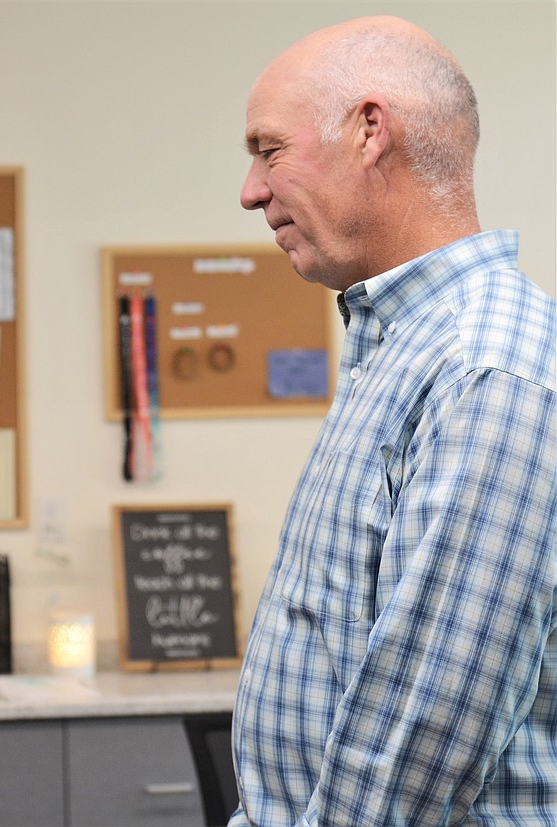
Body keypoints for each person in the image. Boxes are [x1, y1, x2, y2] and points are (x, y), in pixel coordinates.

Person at [231, 15, 556, 826]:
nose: (251, 190)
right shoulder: (404, 346)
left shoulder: (485, 367)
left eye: (269, 150)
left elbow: (418, 744)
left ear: (370, 130)